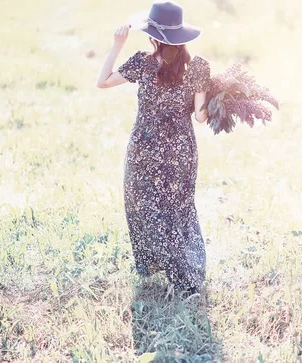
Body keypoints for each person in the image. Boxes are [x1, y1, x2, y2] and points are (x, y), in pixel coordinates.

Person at [96, 1, 210, 294]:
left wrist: (116, 44)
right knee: (175, 211)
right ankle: (180, 273)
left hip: (147, 150)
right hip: (178, 151)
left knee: (152, 210)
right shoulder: (195, 66)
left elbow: (103, 81)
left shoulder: (145, 62)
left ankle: (179, 275)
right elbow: (200, 116)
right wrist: (208, 96)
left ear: (153, 36)